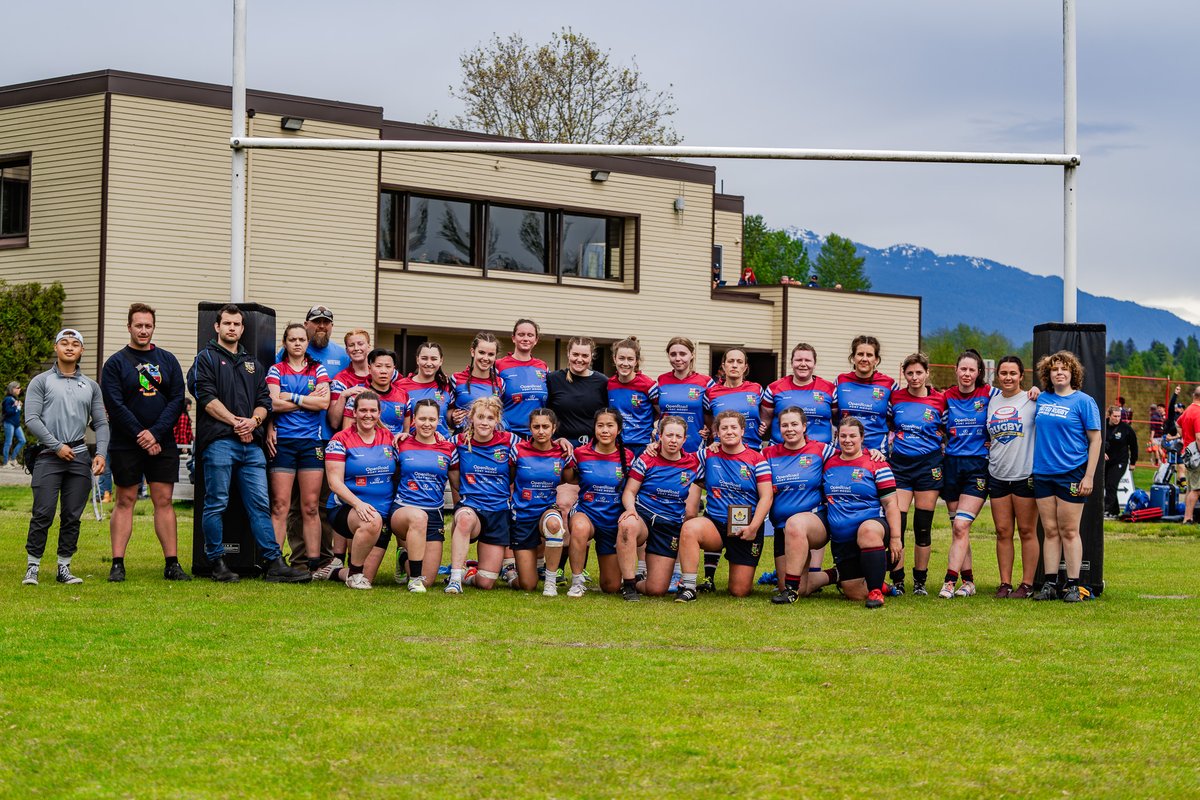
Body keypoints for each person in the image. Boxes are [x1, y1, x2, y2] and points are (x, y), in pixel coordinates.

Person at [187, 304, 310, 584]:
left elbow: (265, 402)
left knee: (259, 505)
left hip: (251, 446)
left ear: (243, 329)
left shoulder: (253, 363)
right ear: (217, 327)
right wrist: (236, 423)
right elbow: (205, 398)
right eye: (227, 323)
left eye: (237, 324)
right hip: (219, 443)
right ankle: (216, 563)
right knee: (216, 503)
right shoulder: (204, 359)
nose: (232, 328)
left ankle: (273, 563)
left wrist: (253, 423)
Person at [100, 303, 190, 582]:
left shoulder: (168, 360)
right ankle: (117, 564)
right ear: (129, 327)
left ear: (153, 327)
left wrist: (156, 433)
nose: (143, 330)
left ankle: (172, 564)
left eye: (147, 325)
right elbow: (114, 404)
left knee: (163, 500)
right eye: (138, 325)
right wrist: (142, 434)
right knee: (124, 499)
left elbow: (177, 400)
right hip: (126, 443)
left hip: (162, 442)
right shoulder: (115, 363)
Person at [20, 328, 109, 586]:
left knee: (72, 515)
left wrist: (101, 452)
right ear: (55, 348)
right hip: (49, 455)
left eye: (75, 344)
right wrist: (57, 446)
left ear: (81, 351)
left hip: (79, 456)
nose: (69, 348)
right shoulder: (41, 381)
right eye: (64, 343)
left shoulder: (91, 386)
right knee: (43, 512)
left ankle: (64, 567)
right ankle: (32, 567)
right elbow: (32, 419)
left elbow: (101, 423)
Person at [277, 305, 350, 573]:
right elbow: (274, 397)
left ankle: (324, 559)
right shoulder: (284, 357)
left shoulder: (341, 357)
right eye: (316, 322)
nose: (321, 327)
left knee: (322, 503)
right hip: (292, 435)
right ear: (306, 326)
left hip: (329, 437)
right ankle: (298, 560)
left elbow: (327, 401)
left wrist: (298, 400)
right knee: (295, 504)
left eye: (326, 323)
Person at [675, 410, 772, 602]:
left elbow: (767, 497)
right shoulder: (707, 455)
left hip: (746, 527)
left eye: (733, 427)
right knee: (690, 528)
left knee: (739, 591)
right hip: (716, 525)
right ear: (717, 432)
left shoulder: (757, 459)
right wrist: (654, 446)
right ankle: (688, 586)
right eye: (724, 428)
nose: (729, 431)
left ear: (742, 431)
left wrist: (753, 528)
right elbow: (677, 458)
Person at [1031, 350, 1102, 602]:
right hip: (1042, 473)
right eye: (1054, 369)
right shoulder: (1041, 399)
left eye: (1064, 368)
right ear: (1048, 374)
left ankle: (1073, 585)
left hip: (1072, 472)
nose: (1059, 372)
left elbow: (1095, 440)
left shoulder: (1083, 401)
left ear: (1073, 373)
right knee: (1050, 530)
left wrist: (1089, 476)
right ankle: (1050, 583)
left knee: (1069, 531)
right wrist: (1033, 392)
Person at [265, 323, 331, 574]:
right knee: (281, 505)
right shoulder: (276, 369)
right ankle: (274, 561)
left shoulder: (318, 369)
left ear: (307, 342)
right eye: (292, 339)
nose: (297, 343)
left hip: (311, 443)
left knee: (311, 506)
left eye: (301, 339)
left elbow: (324, 403)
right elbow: (272, 403)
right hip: (284, 443)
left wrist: (290, 397)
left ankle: (313, 564)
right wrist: (307, 402)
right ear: (285, 343)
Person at [820, 416, 903, 609]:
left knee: (867, 531)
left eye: (852, 436)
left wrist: (896, 538)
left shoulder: (876, 463)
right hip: (842, 538)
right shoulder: (828, 463)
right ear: (837, 437)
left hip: (872, 525)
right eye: (843, 436)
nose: (847, 440)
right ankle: (879, 582)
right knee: (854, 593)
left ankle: (875, 591)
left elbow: (891, 504)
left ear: (862, 437)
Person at [616, 415, 702, 600]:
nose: (673, 440)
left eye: (678, 437)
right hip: (644, 516)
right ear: (659, 436)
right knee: (627, 524)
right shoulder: (647, 458)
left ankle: (638, 582)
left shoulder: (694, 463)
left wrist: (714, 445)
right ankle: (629, 585)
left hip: (669, 524)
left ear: (685, 439)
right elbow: (629, 491)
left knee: (656, 590)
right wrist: (630, 510)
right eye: (669, 435)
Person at [323, 391, 400, 590]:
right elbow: (334, 483)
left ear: (379, 413)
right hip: (348, 511)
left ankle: (335, 572)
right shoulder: (339, 440)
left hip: (383, 513)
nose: (368, 414)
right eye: (363, 410)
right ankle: (355, 573)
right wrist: (359, 504)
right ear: (355, 413)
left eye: (373, 410)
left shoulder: (388, 437)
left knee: (370, 577)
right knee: (371, 519)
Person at [937, 349, 998, 600]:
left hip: (977, 467)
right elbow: (936, 424)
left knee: (962, 525)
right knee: (958, 530)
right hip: (951, 465)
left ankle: (949, 581)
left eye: (972, 369)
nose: (967, 373)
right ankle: (968, 581)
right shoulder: (945, 397)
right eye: (963, 369)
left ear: (979, 373)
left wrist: (1033, 393)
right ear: (956, 370)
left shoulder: (989, 394)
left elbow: (1013, 398)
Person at [380, 399, 459, 590]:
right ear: (414, 419)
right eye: (422, 418)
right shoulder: (402, 443)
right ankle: (414, 580)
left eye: (432, 419)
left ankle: (404, 557)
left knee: (429, 580)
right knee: (418, 517)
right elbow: (390, 476)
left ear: (438, 420)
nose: (427, 423)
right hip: (404, 509)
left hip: (434, 513)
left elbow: (456, 484)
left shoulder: (448, 448)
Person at [762, 407, 839, 603]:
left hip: (814, 523)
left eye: (794, 424)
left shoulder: (822, 450)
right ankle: (838, 574)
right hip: (781, 528)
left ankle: (790, 592)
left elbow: (851, 456)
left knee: (795, 523)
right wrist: (714, 446)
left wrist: (873, 453)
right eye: (784, 425)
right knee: (800, 587)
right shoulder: (768, 454)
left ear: (804, 426)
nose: (790, 429)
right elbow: (743, 461)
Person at [445, 396, 517, 594]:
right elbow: (431, 445)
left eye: (490, 418)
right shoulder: (457, 442)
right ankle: (455, 578)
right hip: (471, 509)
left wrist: (562, 441)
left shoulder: (510, 441)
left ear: (497, 421)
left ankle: (470, 574)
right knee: (466, 519)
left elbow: (536, 448)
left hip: (498, 512)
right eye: (480, 417)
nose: (485, 422)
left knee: (485, 583)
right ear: (471, 419)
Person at [887, 353, 945, 596]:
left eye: (918, 373)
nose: (914, 378)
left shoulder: (940, 401)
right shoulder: (896, 397)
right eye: (909, 373)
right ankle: (898, 580)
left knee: (923, 526)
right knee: (897, 525)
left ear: (927, 373)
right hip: (900, 466)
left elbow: (947, 430)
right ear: (904, 374)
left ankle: (920, 581)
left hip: (928, 466)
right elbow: (889, 426)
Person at [986, 356, 1040, 598]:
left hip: (1024, 474)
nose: (1008, 377)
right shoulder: (991, 401)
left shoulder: (1032, 400)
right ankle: (1005, 583)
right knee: (1003, 531)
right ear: (997, 375)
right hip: (997, 473)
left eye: (1013, 373)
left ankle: (1027, 584)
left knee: (1027, 531)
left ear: (1021, 376)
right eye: (1004, 373)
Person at [566, 408, 635, 597]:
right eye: (600, 425)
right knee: (579, 527)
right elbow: (568, 478)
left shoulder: (628, 456)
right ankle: (577, 581)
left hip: (612, 520)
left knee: (611, 586)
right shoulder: (580, 453)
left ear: (619, 430)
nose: (605, 430)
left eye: (610, 426)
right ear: (594, 428)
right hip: (587, 513)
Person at [509, 408, 575, 594]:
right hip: (522, 514)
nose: (541, 431)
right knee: (528, 585)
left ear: (554, 428)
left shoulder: (561, 453)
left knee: (555, 524)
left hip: (547, 509)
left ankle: (550, 581)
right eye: (536, 426)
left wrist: (568, 455)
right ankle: (511, 576)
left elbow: (569, 478)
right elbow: (510, 478)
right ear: (530, 428)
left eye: (545, 426)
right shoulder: (518, 451)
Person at [760, 343, 837, 446]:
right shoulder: (774, 389)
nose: (803, 364)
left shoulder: (830, 389)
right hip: (781, 453)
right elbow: (764, 422)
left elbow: (838, 420)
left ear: (814, 364)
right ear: (791, 363)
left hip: (821, 454)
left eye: (808, 360)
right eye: (798, 360)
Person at [835, 335, 896, 453]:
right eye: (860, 354)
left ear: (876, 359)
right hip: (845, 450)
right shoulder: (841, 381)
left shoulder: (889, 384)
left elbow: (899, 414)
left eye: (869, 355)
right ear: (853, 357)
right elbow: (833, 414)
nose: (864, 359)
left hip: (877, 452)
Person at [656, 337, 713, 454]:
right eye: (673, 354)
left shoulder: (706, 381)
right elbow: (656, 411)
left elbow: (713, 413)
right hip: (665, 446)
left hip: (695, 446)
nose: (678, 358)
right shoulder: (662, 380)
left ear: (692, 355)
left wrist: (710, 429)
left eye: (682, 354)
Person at [607, 337, 659, 460]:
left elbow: (662, 412)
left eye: (630, 359)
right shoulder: (609, 384)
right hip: (616, 444)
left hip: (642, 446)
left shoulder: (648, 385)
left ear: (636, 361)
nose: (625, 363)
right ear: (614, 359)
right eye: (621, 358)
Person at [496, 319, 549, 438]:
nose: (525, 338)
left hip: (537, 435)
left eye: (530, 335)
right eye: (521, 334)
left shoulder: (542, 366)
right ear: (513, 338)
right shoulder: (499, 365)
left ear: (536, 340)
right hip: (508, 435)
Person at [341, 349, 408, 439]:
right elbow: (346, 433)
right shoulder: (357, 395)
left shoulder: (404, 396)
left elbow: (406, 433)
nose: (383, 371)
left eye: (388, 366)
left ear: (394, 369)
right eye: (378, 366)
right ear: (369, 368)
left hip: (396, 449)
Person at [449, 332, 505, 432]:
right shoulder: (456, 379)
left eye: (491, 354)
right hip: (464, 441)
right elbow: (446, 410)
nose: (486, 358)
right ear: (473, 352)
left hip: (491, 442)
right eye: (482, 352)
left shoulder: (500, 383)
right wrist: (452, 416)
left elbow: (501, 414)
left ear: (495, 357)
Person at [399, 341, 455, 439]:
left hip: (442, 446)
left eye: (434, 359)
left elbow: (450, 416)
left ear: (441, 361)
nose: (429, 363)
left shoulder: (447, 385)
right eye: (424, 358)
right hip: (413, 446)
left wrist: (455, 417)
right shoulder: (401, 386)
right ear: (417, 360)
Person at [1103, 404, 1138, 518]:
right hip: (1106, 462)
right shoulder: (1102, 426)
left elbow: (1134, 446)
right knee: (1106, 485)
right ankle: (1115, 511)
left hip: (1120, 461)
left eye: (1119, 416)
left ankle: (1106, 510)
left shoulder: (1126, 428)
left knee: (1111, 484)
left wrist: (1133, 462)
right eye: (1115, 416)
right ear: (1109, 415)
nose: (1117, 418)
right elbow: (1095, 440)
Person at [1177, 386, 1200, 524]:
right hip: (1196, 455)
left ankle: (1188, 516)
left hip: (1188, 452)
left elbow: (1177, 424)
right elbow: (1199, 437)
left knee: (1191, 487)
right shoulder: (1198, 412)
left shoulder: (1188, 410)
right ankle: (1188, 518)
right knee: (1197, 489)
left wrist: (1184, 438)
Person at [2, 381, 25, 468]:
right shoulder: (8, 399)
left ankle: (12, 459)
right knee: (8, 443)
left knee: (22, 440)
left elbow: (16, 412)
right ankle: (5, 463)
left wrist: (18, 406)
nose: (20, 389)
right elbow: (7, 412)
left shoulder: (14, 399)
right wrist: (15, 406)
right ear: (12, 389)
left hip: (16, 424)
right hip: (9, 423)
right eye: (18, 388)